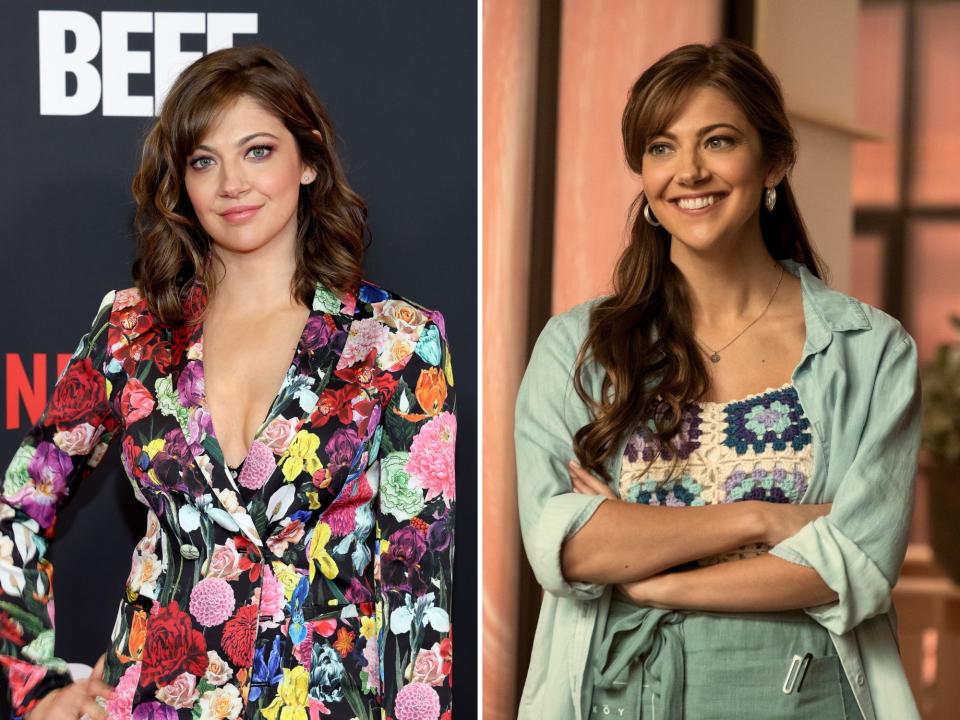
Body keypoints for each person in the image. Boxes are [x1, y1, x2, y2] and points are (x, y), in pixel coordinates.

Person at [0, 45, 456, 720]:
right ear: (181, 181)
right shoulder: (131, 329)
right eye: (203, 160)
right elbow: (21, 504)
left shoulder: (396, 340)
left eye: (259, 151)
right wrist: (35, 688)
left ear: (308, 161)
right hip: (153, 703)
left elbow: (416, 594)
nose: (231, 183)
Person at [515, 40, 920, 720]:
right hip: (621, 698)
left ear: (775, 162)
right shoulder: (579, 348)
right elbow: (569, 544)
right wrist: (761, 520)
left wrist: (652, 582)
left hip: (810, 700)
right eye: (662, 148)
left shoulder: (870, 350)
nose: (689, 172)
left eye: (720, 141)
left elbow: (854, 566)